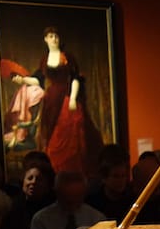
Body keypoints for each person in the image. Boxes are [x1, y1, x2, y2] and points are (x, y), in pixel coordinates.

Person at [10, 27, 102, 177]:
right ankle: (55, 171)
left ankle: (73, 171)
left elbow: (75, 78)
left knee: (69, 134)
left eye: (56, 36)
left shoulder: (68, 57)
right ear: (46, 39)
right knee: (51, 135)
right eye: (51, 36)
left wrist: (72, 98)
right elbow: (38, 79)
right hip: (52, 99)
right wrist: (22, 80)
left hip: (67, 97)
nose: (54, 39)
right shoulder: (44, 59)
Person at [85, 146, 135, 220]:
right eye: (116, 176)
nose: (121, 180)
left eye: (123, 175)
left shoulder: (132, 200)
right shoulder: (93, 202)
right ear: (104, 178)